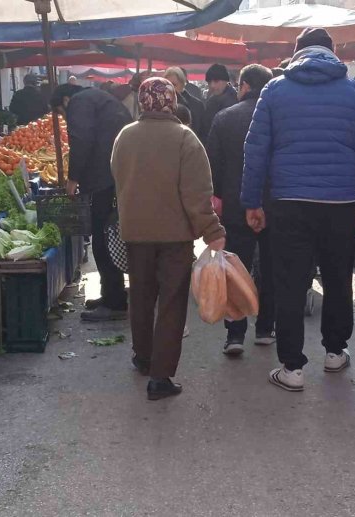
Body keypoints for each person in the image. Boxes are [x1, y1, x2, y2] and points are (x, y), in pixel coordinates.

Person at [242, 27, 355, 392]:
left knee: (290, 282)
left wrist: (252, 202)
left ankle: (292, 368)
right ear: (333, 53)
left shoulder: (274, 90)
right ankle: (335, 352)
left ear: (297, 51)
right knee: (337, 279)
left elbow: (255, 151)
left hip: (289, 204)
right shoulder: (354, 92)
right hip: (341, 205)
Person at [111, 77, 225, 400]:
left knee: (141, 297)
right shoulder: (185, 139)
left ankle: (142, 356)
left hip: (136, 234)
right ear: (171, 102)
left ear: (143, 102)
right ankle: (160, 377)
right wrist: (212, 232)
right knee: (172, 302)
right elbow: (197, 193)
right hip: (175, 237)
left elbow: (117, 176)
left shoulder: (125, 137)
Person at [206, 64, 275, 356]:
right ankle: (265, 328)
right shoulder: (278, 118)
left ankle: (235, 334)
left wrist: (218, 198)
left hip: (235, 206)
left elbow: (213, 166)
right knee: (271, 269)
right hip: (274, 205)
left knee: (235, 269)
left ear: (244, 85)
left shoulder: (224, 118)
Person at [50, 83, 134, 322]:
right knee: (107, 235)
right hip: (114, 172)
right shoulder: (99, 97)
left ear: (65, 100)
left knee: (102, 237)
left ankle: (114, 301)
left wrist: (73, 178)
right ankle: (111, 293)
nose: (64, 118)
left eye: (60, 112)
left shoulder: (79, 102)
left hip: (102, 178)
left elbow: (82, 139)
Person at [200, 63, 237, 142]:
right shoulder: (211, 101)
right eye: (209, 82)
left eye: (216, 81)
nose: (212, 85)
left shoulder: (235, 100)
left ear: (226, 81)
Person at [164, 67, 204, 136]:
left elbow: (201, 133)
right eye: (167, 85)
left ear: (182, 84)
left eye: (174, 85)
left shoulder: (197, 106)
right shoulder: (160, 104)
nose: (170, 88)